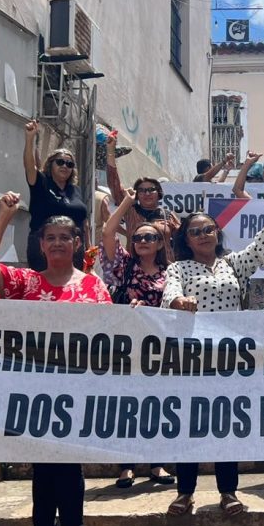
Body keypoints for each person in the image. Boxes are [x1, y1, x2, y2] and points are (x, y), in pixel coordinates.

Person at [0, 193, 111, 526]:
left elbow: (109, 338)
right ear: (40, 244)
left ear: (76, 244)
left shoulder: (94, 288)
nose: (56, 243)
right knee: (43, 469)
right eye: (49, 237)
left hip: (76, 392)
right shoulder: (24, 282)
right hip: (32, 392)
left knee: (66, 469)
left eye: (64, 238)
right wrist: (4, 217)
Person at [160, 191, 264, 517]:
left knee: (225, 423)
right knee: (189, 424)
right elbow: (169, 294)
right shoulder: (180, 268)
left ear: (217, 233)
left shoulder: (232, 263)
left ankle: (228, 491)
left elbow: (263, 243)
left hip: (229, 357)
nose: (203, 235)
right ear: (185, 240)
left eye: (208, 229)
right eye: (195, 231)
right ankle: (185, 492)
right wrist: (179, 302)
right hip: (192, 357)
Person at [100, 193, 175, 488]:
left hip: (159, 346)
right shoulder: (124, 266)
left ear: (159, 244)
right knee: (128, 405)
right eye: (138, 237)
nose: (142, 241)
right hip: (127, 345)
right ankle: (126, 466)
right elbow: (107, 232)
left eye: (149, 237)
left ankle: (157, 464)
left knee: (157, 405)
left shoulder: (171, 272)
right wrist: (126, 204)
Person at [22, 119, 88, 270]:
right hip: (44, 248)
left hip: (74, 250)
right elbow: (29, 166)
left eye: (69, 164)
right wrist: (30, 138)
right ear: (51, 164)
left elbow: (84, 222)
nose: (65, 166)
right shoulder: (41, 183)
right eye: (60, 162)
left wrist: (89, 249)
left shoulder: (75, 190)